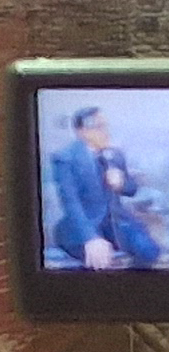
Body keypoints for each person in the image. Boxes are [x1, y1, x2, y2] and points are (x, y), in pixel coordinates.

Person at [47, 107, 159, 268]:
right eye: (99, 127)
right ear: (82, 132)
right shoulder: (65, 158)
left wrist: (121, 183)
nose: (106, 132)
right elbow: (70, 203)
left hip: (117, 221)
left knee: (149, 251)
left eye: (106, 126)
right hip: (82, 223)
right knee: (98, 260)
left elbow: (132, 189)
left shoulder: (114, 154)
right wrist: (90, 238)